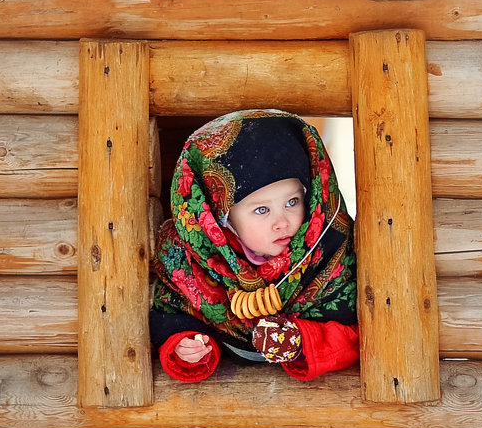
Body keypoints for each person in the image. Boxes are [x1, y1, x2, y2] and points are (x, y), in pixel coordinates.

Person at [150, 109, 359, 382]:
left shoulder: (330, 252)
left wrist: (302, 343)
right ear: (218, 221)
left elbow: (354, 333)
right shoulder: (187, 263)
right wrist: (186, 345)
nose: (281, 222)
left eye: (292, 202)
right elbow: (169, 314)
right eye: (261, 210)